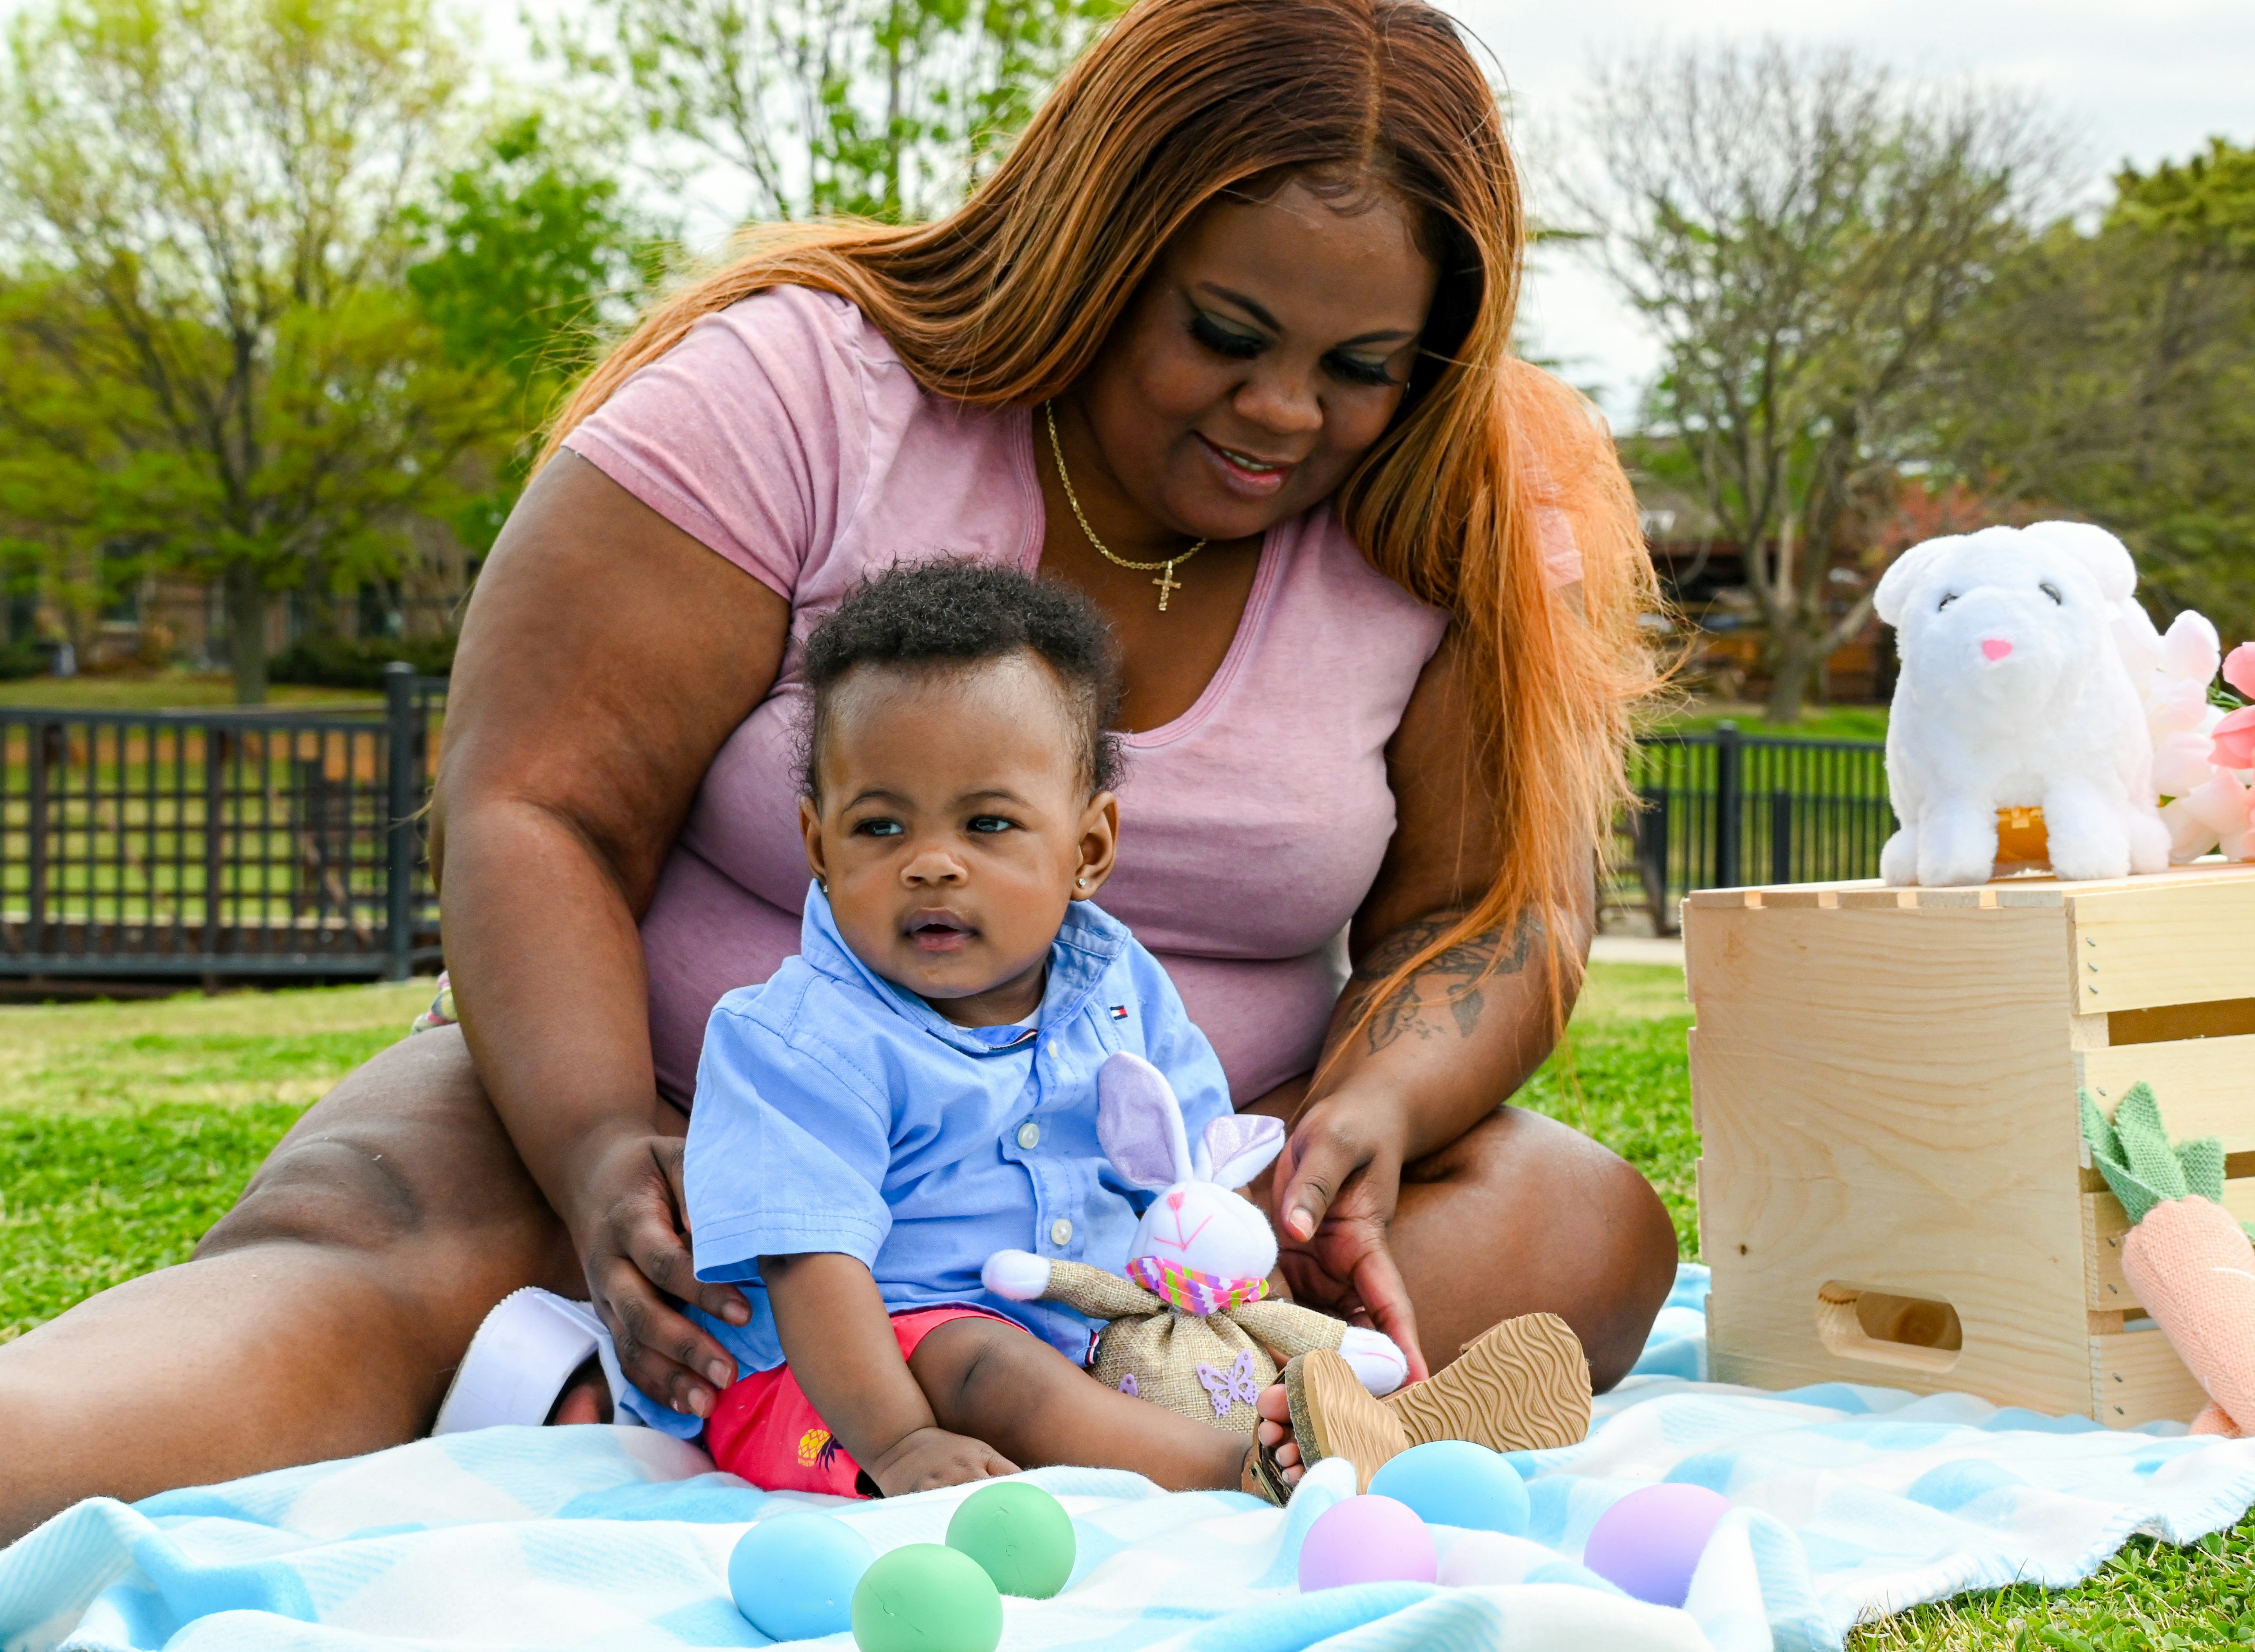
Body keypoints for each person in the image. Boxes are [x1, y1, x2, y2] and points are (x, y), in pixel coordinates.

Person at [0, 0, 1676, 1540]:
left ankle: (862, 1405)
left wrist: (1361, 1117)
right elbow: (536, 801)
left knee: (1580, 1224)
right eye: (1225, 333)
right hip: (664, 1135)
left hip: (1140, 1231)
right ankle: (679, 1347)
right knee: (336, 1283)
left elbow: (1491, 914)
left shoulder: (1461, 510)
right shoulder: (802, 388)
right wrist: (597, 1154)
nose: (1282, 412)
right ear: (1100, 244)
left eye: (1360, 371)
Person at [591, 560, 1584, 1500]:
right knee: (984, 1358)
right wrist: (901, 1441)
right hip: (851, 1387)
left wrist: (1239, 1306)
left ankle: (1382, 1423)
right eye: (881, 827)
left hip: (1100, 1336)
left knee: (1242, 1340)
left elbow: (1196, 1173)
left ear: (1090, 846)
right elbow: (815, 1274)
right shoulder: (798, 1041)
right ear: (817, 842)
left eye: (986, 825)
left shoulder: (1117, 988)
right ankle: (1247, 1469)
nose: (930, 865)